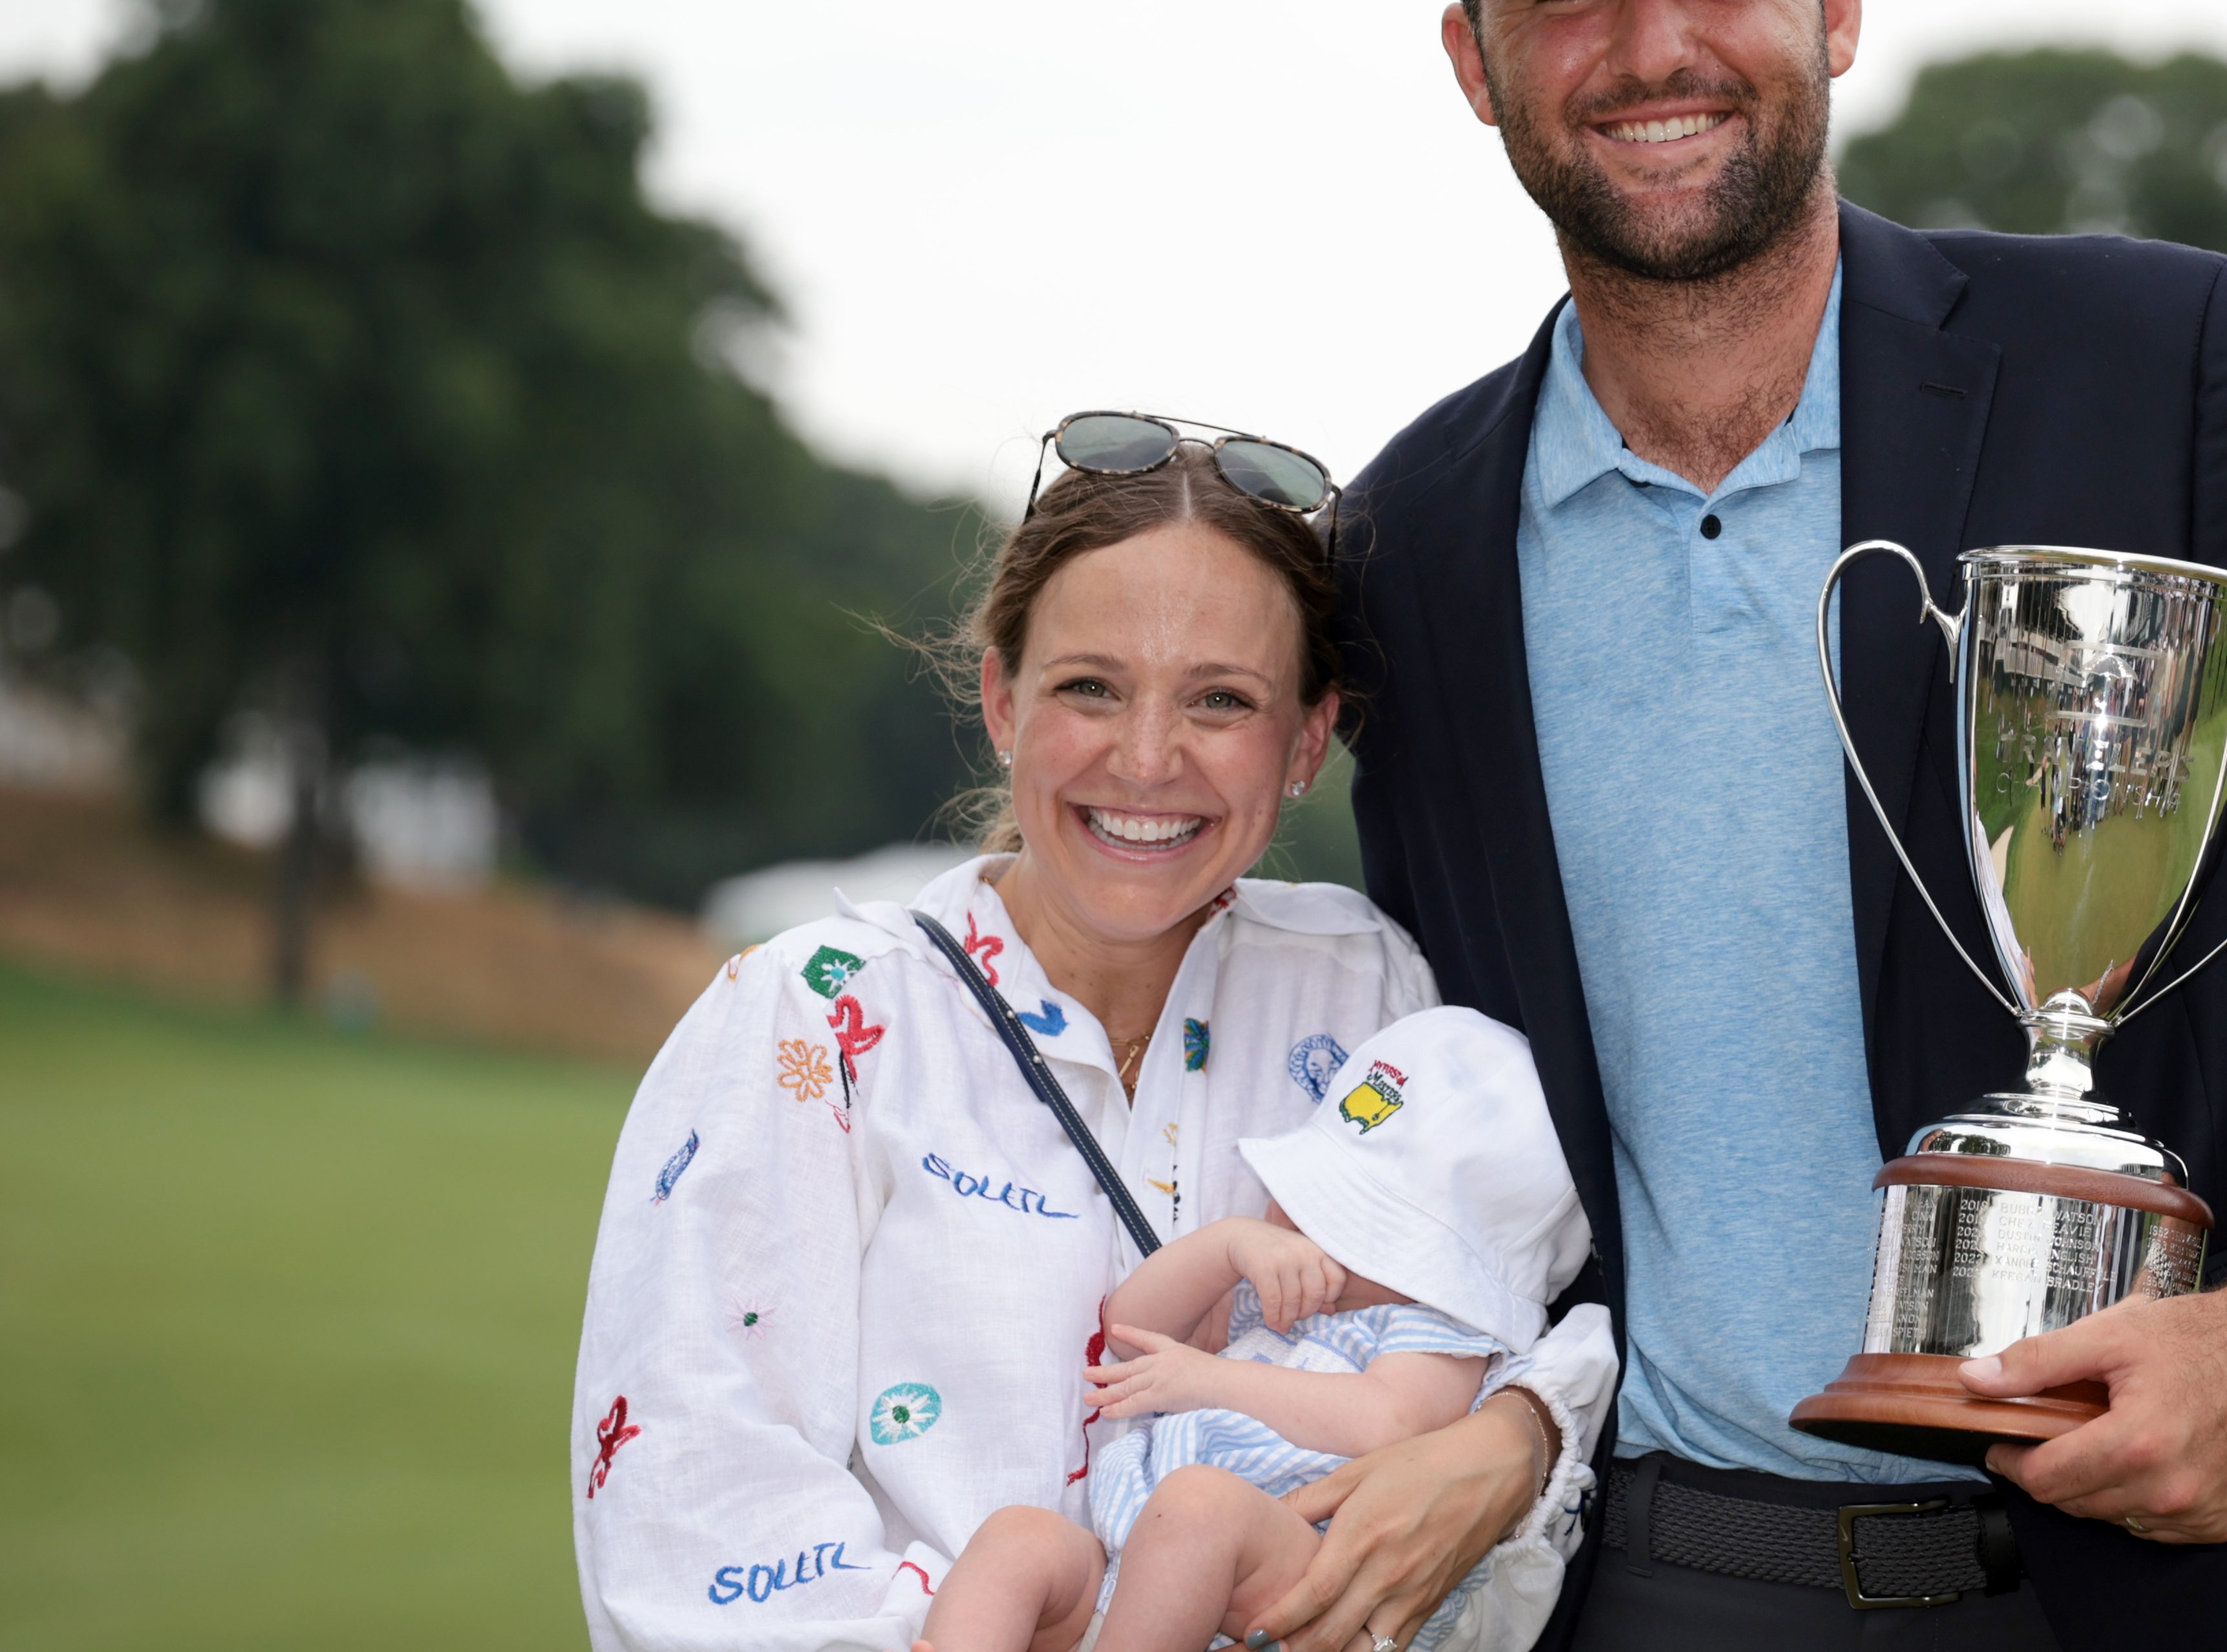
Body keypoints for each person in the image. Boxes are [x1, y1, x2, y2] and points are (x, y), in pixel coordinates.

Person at [1320, 0, 2227, 1652]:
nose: (1649, 43)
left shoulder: (2151, 364)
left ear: (1830, 9)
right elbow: (1468, 1122)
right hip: (1673, 1587)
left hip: (2212, 1573)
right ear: (1471, 63)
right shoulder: (1409, 541)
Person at [570, 419, 1610, 1652]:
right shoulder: (810, 1017)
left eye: (1221, 699)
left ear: (1306, 743)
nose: (1148, 757)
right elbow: (695, 1499)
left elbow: (1525, 1311)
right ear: (1003, 699)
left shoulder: (1371, 990)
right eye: (1089, 686)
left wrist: (1518, 1433)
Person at [917, 1008, 1596, 1652]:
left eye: (1354, 1225)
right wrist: (1226, 1247)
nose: (1301, 1226)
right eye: (1305, 1198)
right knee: (1021, 1539)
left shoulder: (1433, 1328)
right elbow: (1129, 1332)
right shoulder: (1284, 1294)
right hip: (1135, 1578)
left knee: (1200, 1506)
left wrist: (1211, 1378)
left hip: (1301, 1570)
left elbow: (1389, 1423)